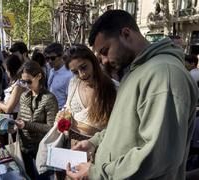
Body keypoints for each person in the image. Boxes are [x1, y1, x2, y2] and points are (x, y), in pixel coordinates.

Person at [66, 10, 198, 180]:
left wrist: (96, 173)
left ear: (126, 34)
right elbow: (123, 126)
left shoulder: (164, 74)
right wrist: (95, 142)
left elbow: (158, 157)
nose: (104, 60)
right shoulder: (136, 71)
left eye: (105, 51)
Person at [64, 44, 116, 143]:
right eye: (75, 72)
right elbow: (68, 109)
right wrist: (64, 116)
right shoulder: (73, 83)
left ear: (93, 61)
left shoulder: (114, 88)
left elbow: (117, 127)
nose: (81, 74)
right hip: (74, 147)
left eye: (83, 67)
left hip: (100, 149)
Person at [15, 60, 58, 179]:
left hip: (40, 151)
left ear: (39, 76)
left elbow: (51, 128)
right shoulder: (24, 95)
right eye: (23, 81)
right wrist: (13, 125)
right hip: (24, 148)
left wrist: (26, 125)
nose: (26, 85)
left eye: (29, 81)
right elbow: (20, 117)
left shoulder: (49, 98)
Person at [44, 43, 73, 109]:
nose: (49, 61)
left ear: (61, 56)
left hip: (61, 111)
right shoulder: (52, 71)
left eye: (53, 58)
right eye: (47, 58)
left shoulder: (69, 75)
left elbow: (69, 99)